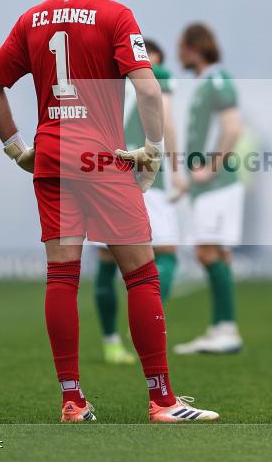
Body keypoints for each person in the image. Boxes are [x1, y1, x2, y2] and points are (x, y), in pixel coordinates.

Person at [0, 0, 218, 423]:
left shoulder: (31, 19)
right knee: (142, 274)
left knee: (61, 277)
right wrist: (151, 150)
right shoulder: (115, 14)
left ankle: (71, 398)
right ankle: (162, 399)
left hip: (51, 159)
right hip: (100, 161)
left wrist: (18, 149)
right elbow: (149, 92)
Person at [94, 38, 184, 364]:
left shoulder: (103, 73)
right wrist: (175, 170)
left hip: (105, 172)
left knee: (106, 260)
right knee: (167, 252)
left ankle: (111, 342)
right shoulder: (156, 73)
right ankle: (148, 320)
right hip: (148, 173)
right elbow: (167, 121)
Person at [172, 23, 244, 355]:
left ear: (194, 47)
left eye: (182, 47)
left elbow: (233, 128)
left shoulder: (216, 79)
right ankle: (221, 328)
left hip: (219, 185)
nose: (178, 53)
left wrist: (210, 168)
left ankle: (226, 330)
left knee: (207, 252)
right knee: (218, 254)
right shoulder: (205, 83)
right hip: (211, 187)